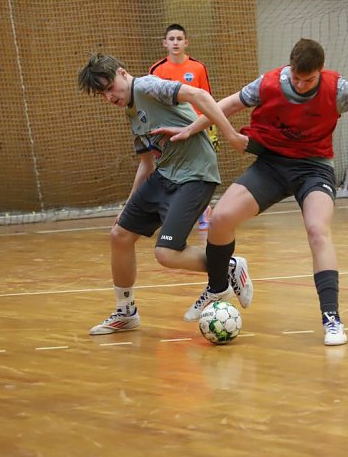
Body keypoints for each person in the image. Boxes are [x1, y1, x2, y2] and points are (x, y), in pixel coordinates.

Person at [157, 38, 348, 345]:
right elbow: (227, 105)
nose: (300, 84)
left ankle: (332, 319)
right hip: (271, 165)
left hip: (314, 169)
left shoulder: (340, 90)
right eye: (296, 78)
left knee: (317, 231)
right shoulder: (269, 83)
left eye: (308, 80)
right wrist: (190, 129)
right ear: (290, 68)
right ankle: (219, 285)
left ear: (321, 72)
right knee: (220, 219)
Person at [76, 53, 253, 335]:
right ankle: (126, 312)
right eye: (102, 94)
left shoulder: (148, 87)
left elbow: (199, 95)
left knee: (166, 253)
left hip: (195, 175)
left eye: (110, 88)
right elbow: (146, 164)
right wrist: (129, 205)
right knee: (119, 235)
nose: (109, 96)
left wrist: (229, 134)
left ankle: (228, 265)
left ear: (122, 73)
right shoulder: (131, 113)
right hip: (165, 175)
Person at [149, 24, 217, 230]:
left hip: (197, 127)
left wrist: (206, 126)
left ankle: (204, 211)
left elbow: (207, 99)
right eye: (171, 39)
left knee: (202, 171)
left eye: (179, 38)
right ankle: (177, 210)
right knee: (174, 171)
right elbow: (152, 102)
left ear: (186, 42)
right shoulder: (157, 69)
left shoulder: (198, 68)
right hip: (169, 129)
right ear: (165, 43)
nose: (176, 42)